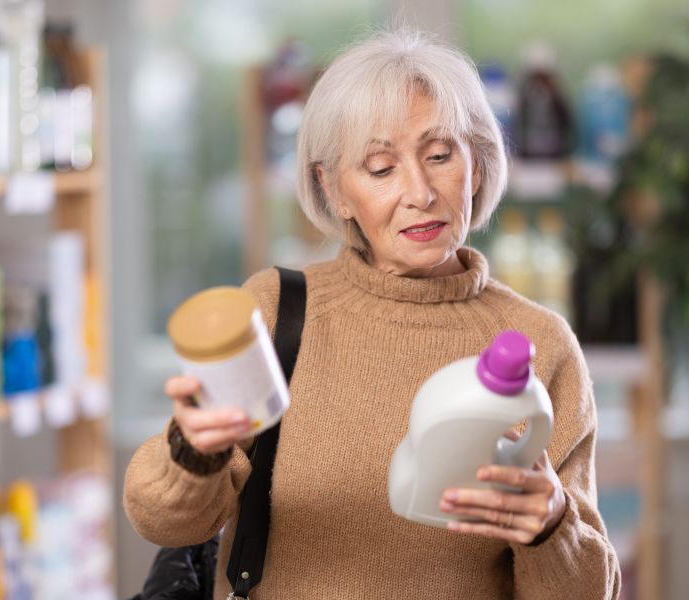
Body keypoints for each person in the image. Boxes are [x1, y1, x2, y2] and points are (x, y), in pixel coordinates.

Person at [124, 29, 621, 600]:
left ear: (478, 164)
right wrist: (193, 450)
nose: (420, 193)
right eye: (381, 169)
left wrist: (552, 526)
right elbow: (163, 521)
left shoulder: (540, 344)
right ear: (332, 188)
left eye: (440, 156)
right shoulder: (279, 313)